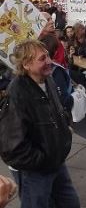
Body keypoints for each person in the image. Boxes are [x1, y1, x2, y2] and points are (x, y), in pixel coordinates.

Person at [0, 40, 80, 207]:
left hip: (56, 162)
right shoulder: (16, 94)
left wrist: (64, 128)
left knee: (71, 203)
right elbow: (12, 148)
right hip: (37, 171)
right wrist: (41, 161)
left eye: (48, 56)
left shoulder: (47, 79)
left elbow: (56, 110)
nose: (49, 61)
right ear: (27, 64)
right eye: (42, 58)